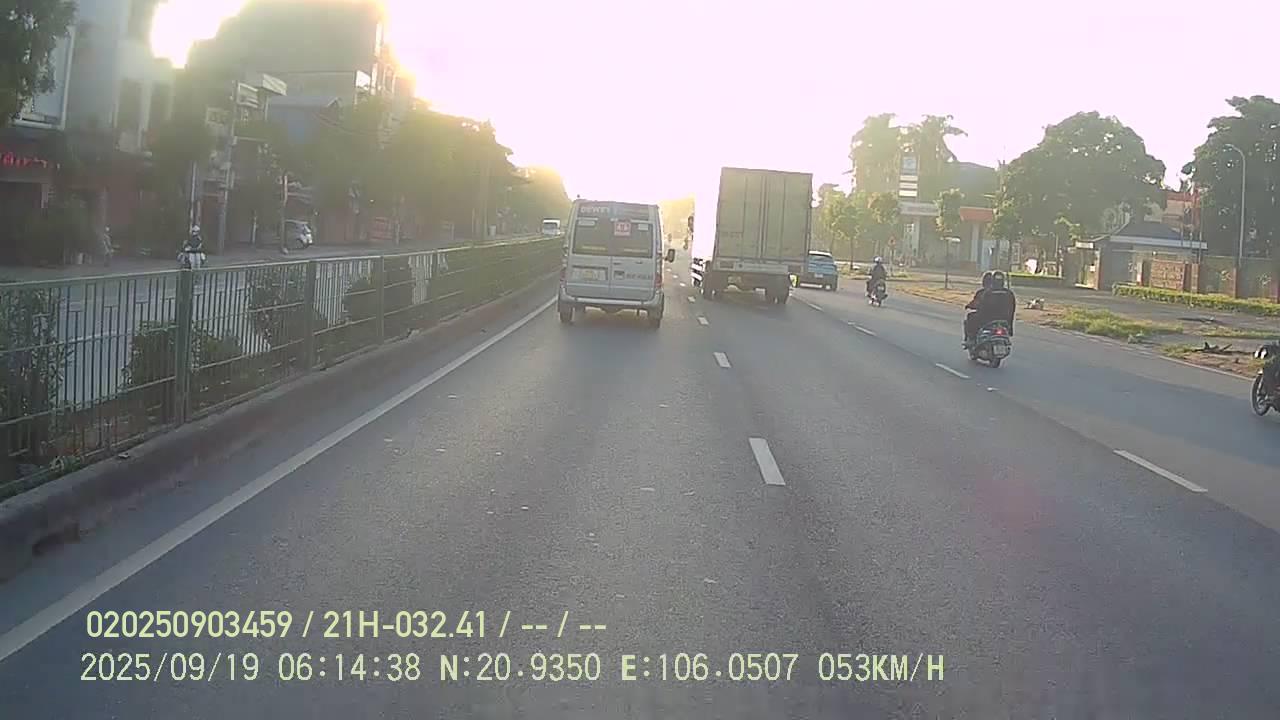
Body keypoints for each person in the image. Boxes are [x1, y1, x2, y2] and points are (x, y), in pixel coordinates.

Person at [966, 270, 1016, 346]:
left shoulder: (987, 292)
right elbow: (1012, 309)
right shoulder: (1009, 293)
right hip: (1005, 320)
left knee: (971, 317)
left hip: (988, 319)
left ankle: (972, 339)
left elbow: (980, 305)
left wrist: (970, 306)